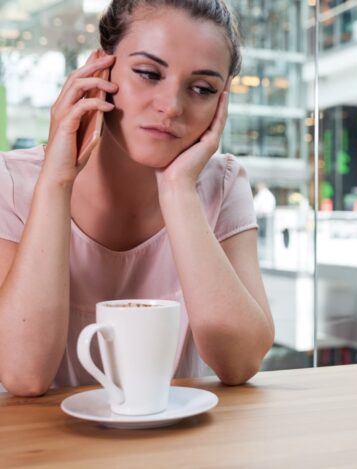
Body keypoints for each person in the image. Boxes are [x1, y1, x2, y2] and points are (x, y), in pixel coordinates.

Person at [0, 0, 274, 396]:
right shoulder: (12, 181)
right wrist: (56, 182)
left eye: (202, 89)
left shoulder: (224, 183)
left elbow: (240, 362)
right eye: (148, 73)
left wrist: (178, 190)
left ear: (221, 102)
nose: (171, 106)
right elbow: (24, 375)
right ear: (99, 69)